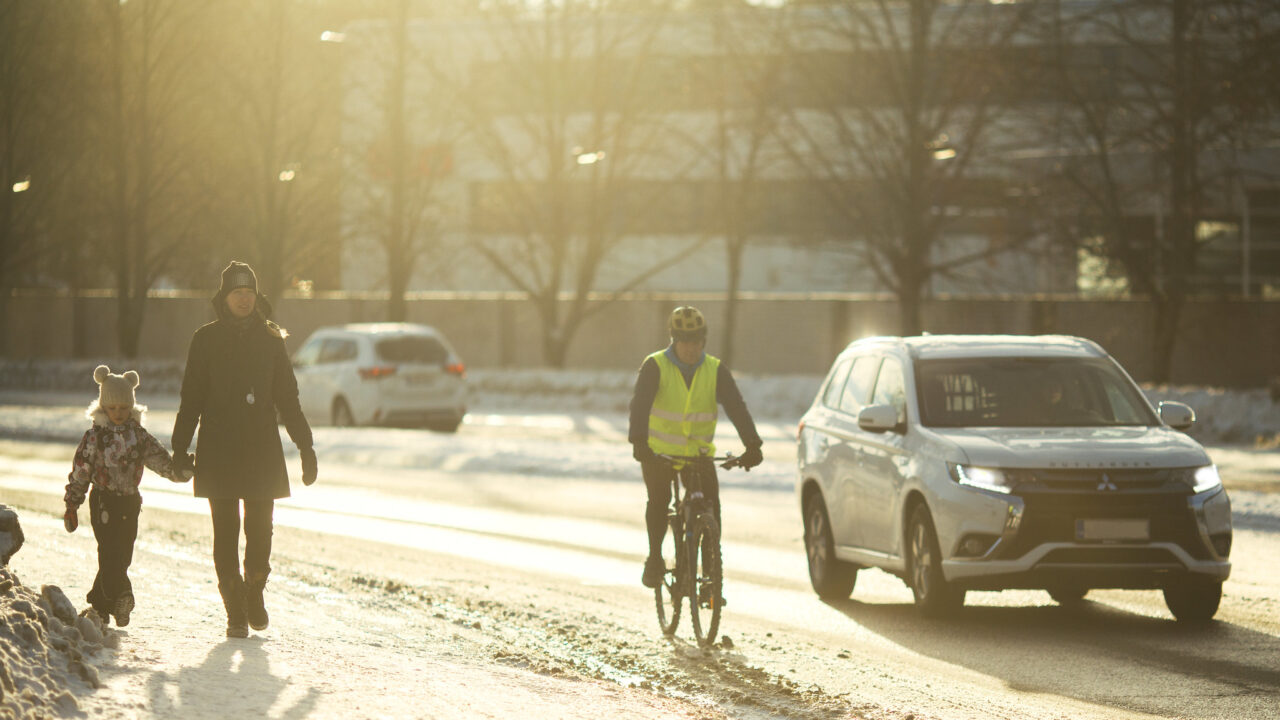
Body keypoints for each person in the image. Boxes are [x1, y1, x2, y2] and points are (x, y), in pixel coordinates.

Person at [171, 261, 317, 638]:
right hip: (218, 448)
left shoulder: (271, 340)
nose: (244, 299)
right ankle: (234, 609)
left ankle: (254, 588)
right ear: (224, 298)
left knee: (260, 531)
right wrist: (178, 447)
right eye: (237, 293)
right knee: (225, 531)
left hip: (261, 449)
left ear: (257, 297)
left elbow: (288, 397)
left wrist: (306, 446)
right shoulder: (205, 340)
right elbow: (191, 398)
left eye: (249, 292)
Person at [628, 306, 764, 593]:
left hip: (699, 454)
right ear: (674, 340)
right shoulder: (655, 366)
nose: (691, 347)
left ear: (704, 340)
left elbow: (736, 407)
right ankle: (654, 557)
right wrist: (639, 441)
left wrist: (752, 443)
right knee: (659, 499)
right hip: (658, 452)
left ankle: (710, 573)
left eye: (696, 340)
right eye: (685, 340)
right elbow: (639, 405)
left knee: (710, 507)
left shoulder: (715, 370)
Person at [64, 365, 192, 627]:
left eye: (124, 408)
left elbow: (161, 461)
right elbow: (81, 471)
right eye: (113, 408)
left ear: (131, 406)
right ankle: (122, 596)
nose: (119, 413)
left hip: (130, 501)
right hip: (103, 501)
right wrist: (72, 504)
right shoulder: (95, 437)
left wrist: (181, 472)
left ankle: (99, 606)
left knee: (123, 555)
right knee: (110, 553)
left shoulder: (139, 436)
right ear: (103, 408)